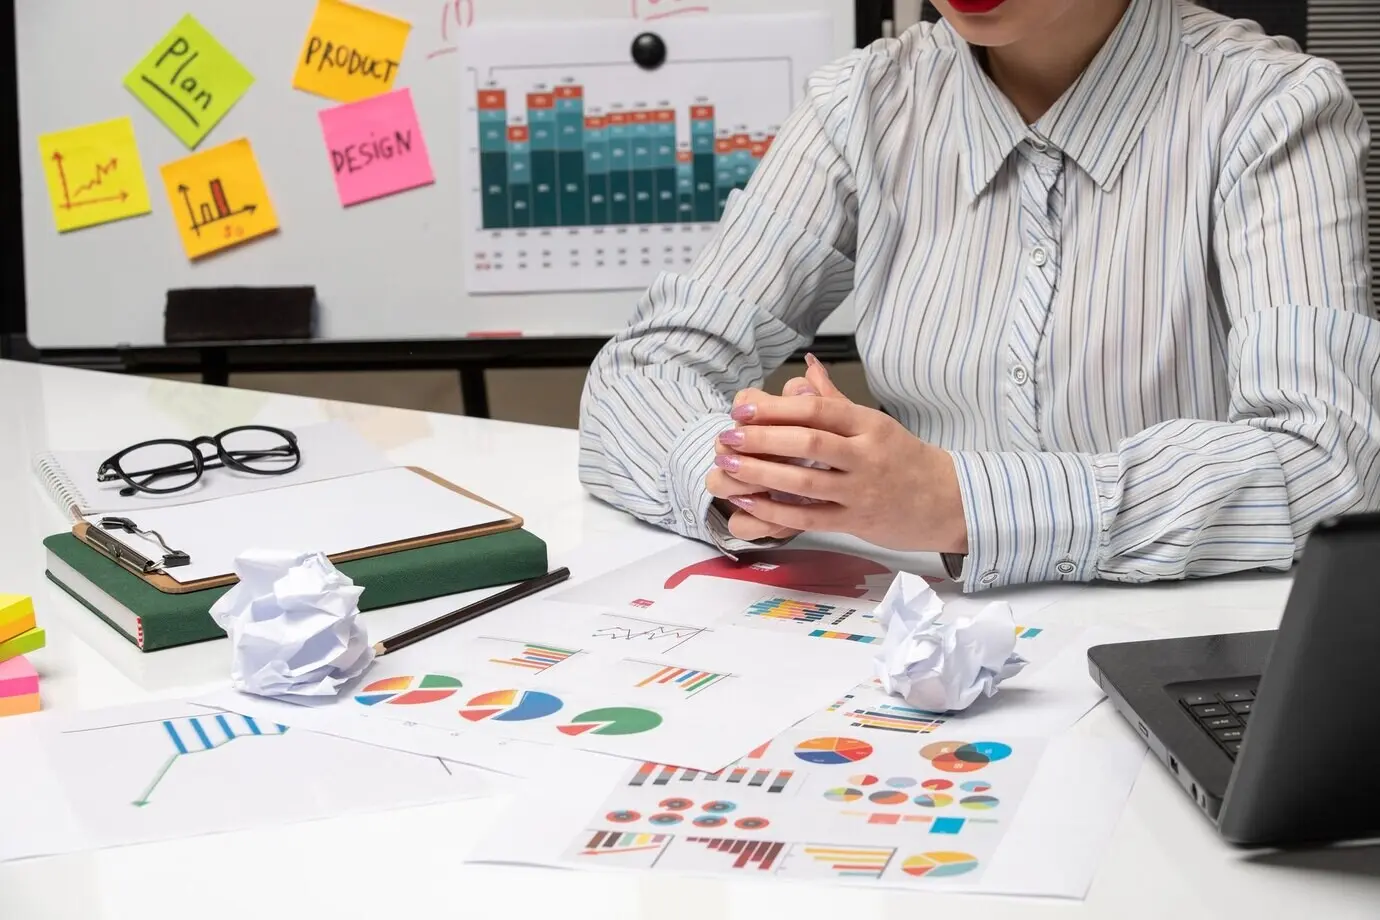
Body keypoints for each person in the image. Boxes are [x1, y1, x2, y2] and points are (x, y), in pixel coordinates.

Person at [578, 0, 1380, 591]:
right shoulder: (866, 104)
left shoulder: (1273, 107)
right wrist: (746, 475)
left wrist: (959, 503)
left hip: (1178, 642)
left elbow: (1330, 462)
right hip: (917, 647)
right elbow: (644, 370)